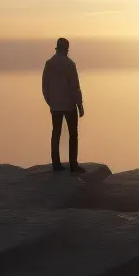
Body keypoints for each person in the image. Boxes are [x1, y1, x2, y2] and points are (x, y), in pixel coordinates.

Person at [42, 37, 86, 174]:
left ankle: (56, 163)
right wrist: (80, 104)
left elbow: (45, 86)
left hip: (55, 106)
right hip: (69, 105)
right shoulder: (69, 64)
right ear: (65, 49)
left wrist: (50, 101)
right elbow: (75, 87)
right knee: (73, 135)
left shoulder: (49, 63)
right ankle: (73, 165)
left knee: (56, 133)